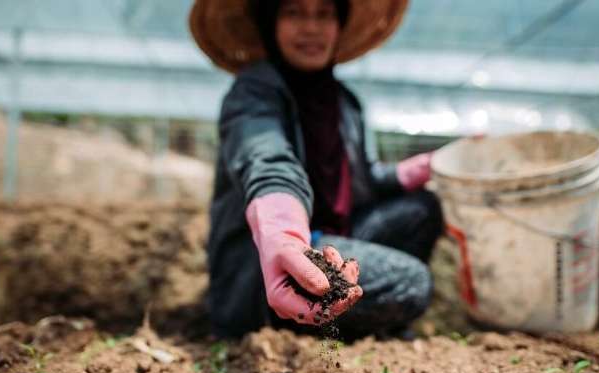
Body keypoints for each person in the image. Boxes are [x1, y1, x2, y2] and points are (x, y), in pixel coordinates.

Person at [189, 0, 443, 338]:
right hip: (272, 260)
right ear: (271, 23)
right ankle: (312, 319)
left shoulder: (344, 103)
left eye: (324, 14)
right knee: (411, 282)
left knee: (422, 208)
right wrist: (284, 233)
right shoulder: (253, 92)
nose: (311, 27)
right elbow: (265, 158)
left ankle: (351, 315)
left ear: (339, 26)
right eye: (294, 12)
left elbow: (358, 181)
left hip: (334, 237)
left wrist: (421, 168)